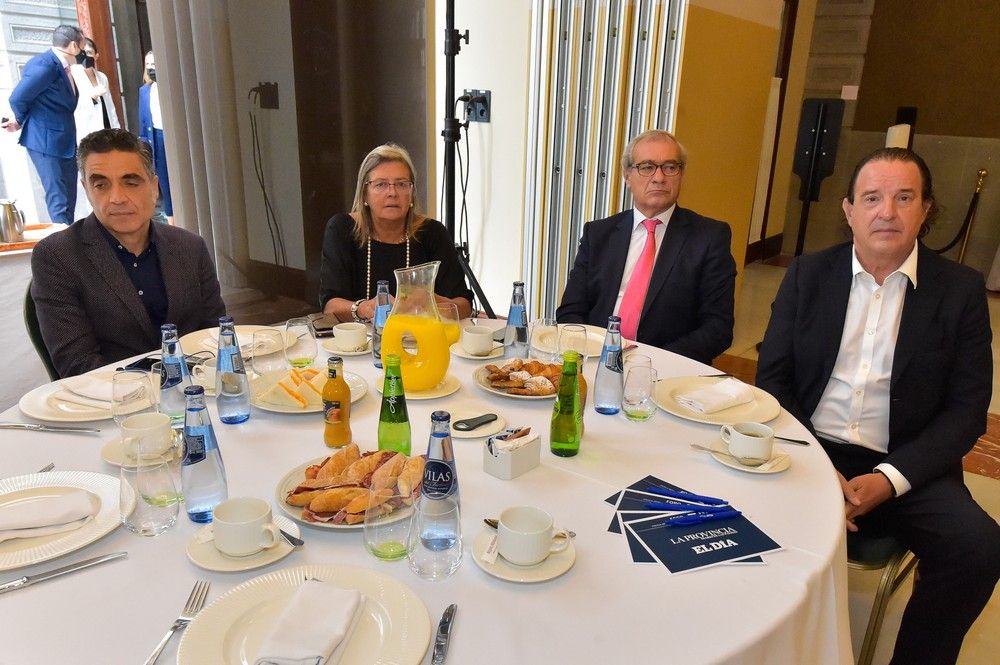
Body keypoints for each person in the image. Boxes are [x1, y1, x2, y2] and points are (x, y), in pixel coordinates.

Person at [756, 148, 1000, 665]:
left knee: (977, 548)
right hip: (807, 450)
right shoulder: (809, 275)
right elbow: (773, 382)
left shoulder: (958, 290)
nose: (886, 211)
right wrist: (817, 471)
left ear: (925, 209)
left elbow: (966, 411)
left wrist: (889, 479)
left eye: (903, 197)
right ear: (848, 210)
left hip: (906, 464)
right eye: (872, 197)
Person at [30, 129, 226, 378]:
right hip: (112, 403)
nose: (117, 198)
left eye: (130, 182)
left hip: (196, 394)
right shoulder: (57, 256)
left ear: (154, 187)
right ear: (87, 189)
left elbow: (216, 337)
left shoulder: (190, 246)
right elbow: (77, 365)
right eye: (101, 184)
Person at [556, 129, 736, 365]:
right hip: (594, 360)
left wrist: (651, 361)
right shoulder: (598, 234)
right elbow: (571, 310)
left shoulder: (709, 238)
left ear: (681, 174)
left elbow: (718, 328)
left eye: (670, 167)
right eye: (647, 167)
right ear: (627, 176)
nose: (659, 177)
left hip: (666, 368)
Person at [319, 143, 473, 323]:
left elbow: (464, 306)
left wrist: (430, 300)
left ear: (412, 194)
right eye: (381, 184)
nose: (392, 192)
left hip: (418, 339)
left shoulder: (433, 233)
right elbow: (330, 305)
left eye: (401, 184)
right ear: (365, 194)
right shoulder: (342, 229)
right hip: (357, 344)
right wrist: (364, 308)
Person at [3, 24, 84, 225]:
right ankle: (62, 249)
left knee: (68, 197)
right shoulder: (45, 65)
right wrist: (20, 120)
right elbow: (18, 98)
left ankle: (67, 239)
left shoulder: (61, 66)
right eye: (82, 45)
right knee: (59, 199)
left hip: (63, 141)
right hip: (46, 142)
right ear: (74, 45)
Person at [70, 37, 120, 220]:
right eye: (84, 53)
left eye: (90, 53)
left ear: (96, 55)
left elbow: (110, 106)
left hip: (106, 130)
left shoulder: (102, 77)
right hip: (87, 132)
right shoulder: (74, 74)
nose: (86, 56)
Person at [138, 51, 173, 224]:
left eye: (155, 64)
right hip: (156, 137)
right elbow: (143, 121)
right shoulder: (145, 91)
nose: (152, 68)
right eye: (149, 65)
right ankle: (172, 219)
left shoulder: (173, 87)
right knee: (164, 179)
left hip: (172, 135)